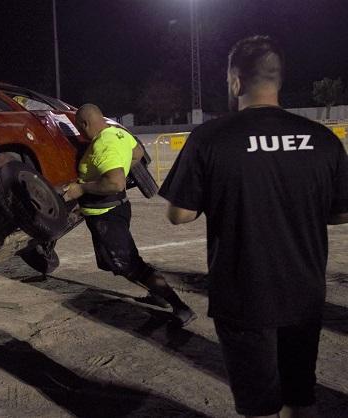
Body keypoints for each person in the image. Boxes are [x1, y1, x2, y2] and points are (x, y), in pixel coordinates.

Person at [159, 35, 348, 418]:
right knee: (301, 397)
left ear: (235, 80)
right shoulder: (323, 139)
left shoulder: (210, 138)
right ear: (278, 80)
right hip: (303, 292)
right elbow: (342, 213)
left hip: (243, 296)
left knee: (259, 407)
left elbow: (179, 215)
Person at [64, 103, 196, 327]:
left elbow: (115, 183)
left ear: (84, 124)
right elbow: (138, 152)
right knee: (118, 263)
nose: (80, 133)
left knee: (130, 265)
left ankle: (180, 307)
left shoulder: (104, 145)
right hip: (114, 210)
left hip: (107, 216)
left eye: (79, 128)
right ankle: (158, 295)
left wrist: (83, 189)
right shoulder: (118, 132)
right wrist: (123, 165)